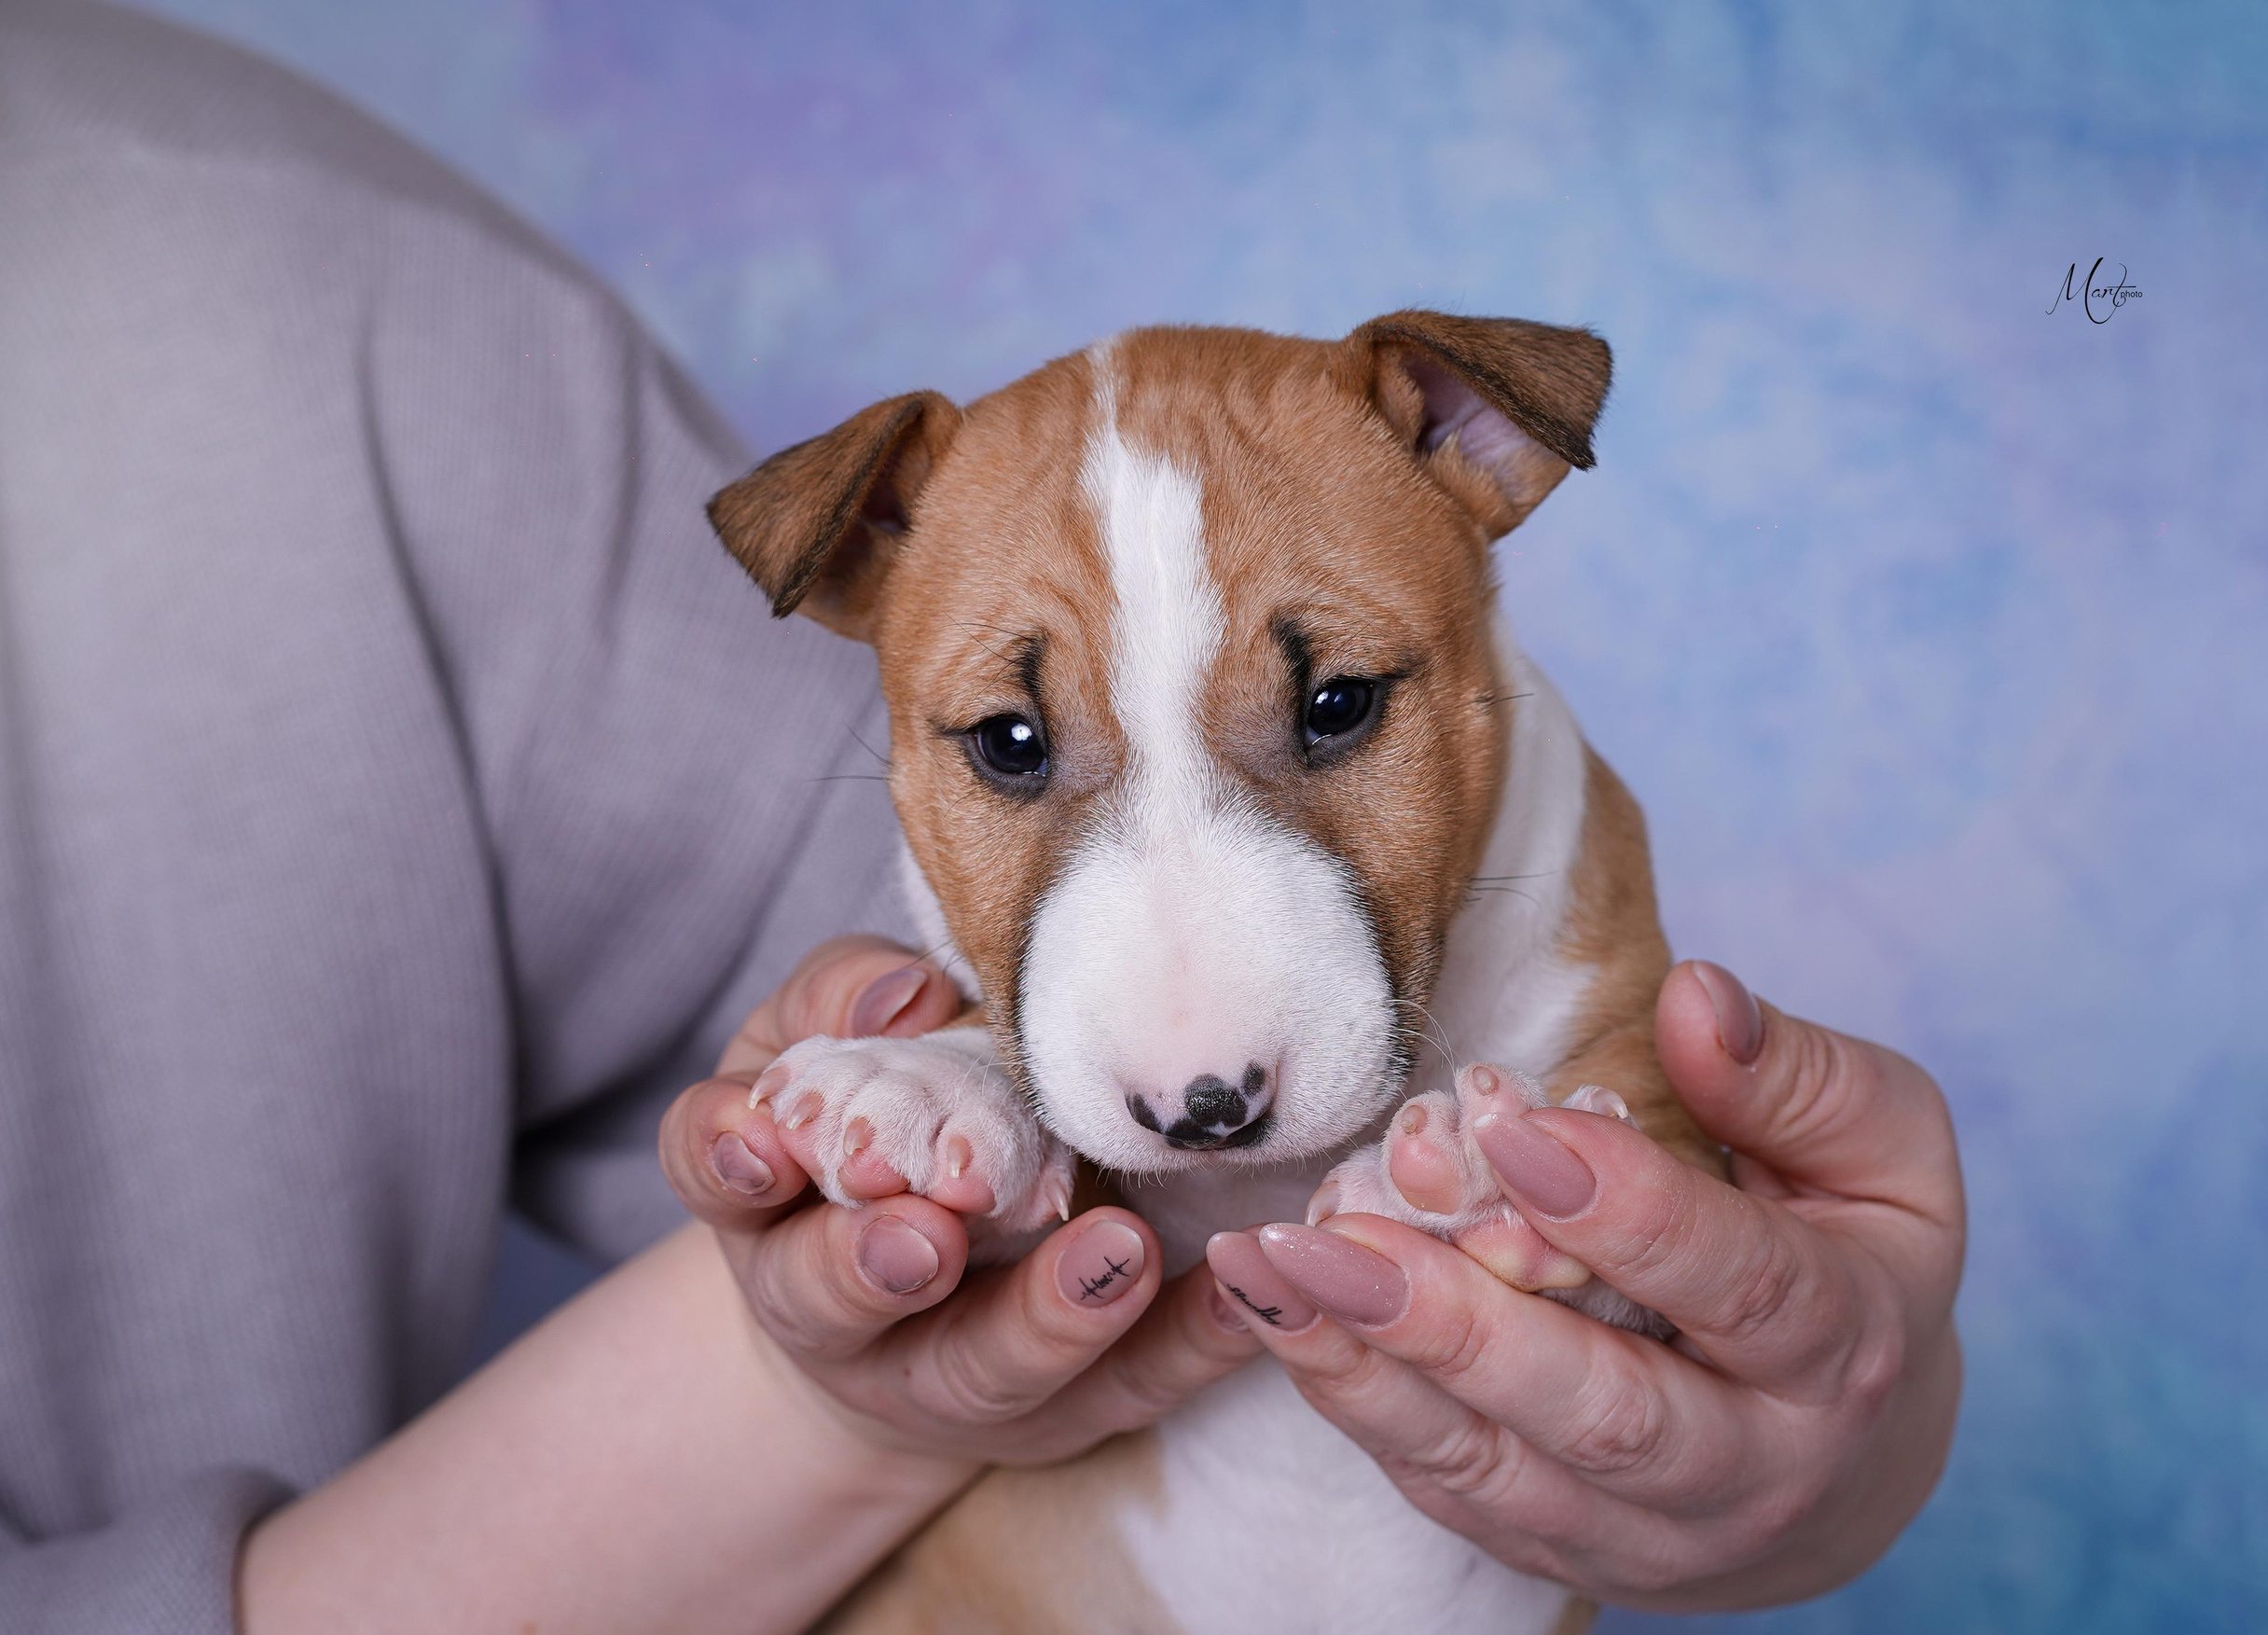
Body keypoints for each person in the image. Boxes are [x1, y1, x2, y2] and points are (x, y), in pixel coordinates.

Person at [0, 3, 1963, 1629]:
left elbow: (811, 1019)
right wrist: (965, 1076)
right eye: (1017, 755)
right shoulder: (895, 570)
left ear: (1482, 452)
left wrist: (1788, 1409)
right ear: (861, 570)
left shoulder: (280, 288)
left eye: (1334, 709)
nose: (1197, 1048)